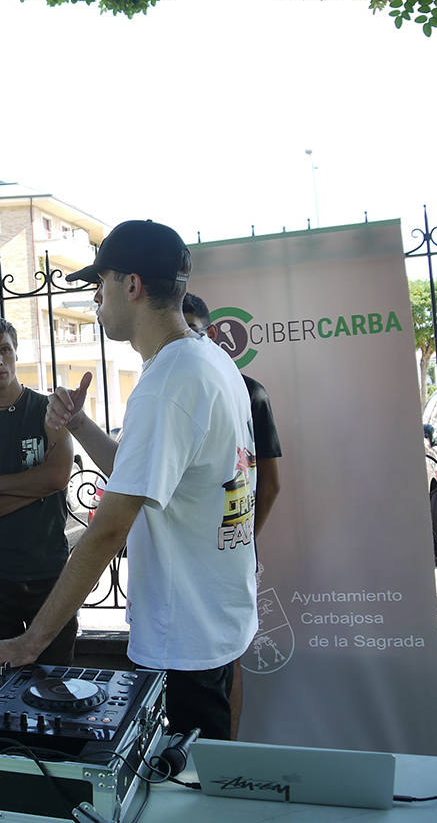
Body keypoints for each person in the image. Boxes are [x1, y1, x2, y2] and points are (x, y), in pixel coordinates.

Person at [0, 220, 258, 742]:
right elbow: (145, 478)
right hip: (216, 618)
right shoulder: (207, 360)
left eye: (101, 283)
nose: (95, 297)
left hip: (185, 635)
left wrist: (27, 645)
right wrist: (79, 423)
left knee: (192, 788)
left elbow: (110, 528)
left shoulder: (167, 384)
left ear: (131, 285)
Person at [183, 292, 283, 737]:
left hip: (230, 553)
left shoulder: (248, 392)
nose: (186, 342)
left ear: (211, 334)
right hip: (182, 569)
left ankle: (228, 754)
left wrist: (239, 537)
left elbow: (271, 483)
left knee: (230, 656)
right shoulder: (169, 388)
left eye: (194, 332)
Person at [0, 316, 77, 663]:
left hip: (49, 571)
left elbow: (56, 478)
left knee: (55, 682)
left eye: (4, 350)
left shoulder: (48, 411)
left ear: (16, 352)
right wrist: (35, 487)